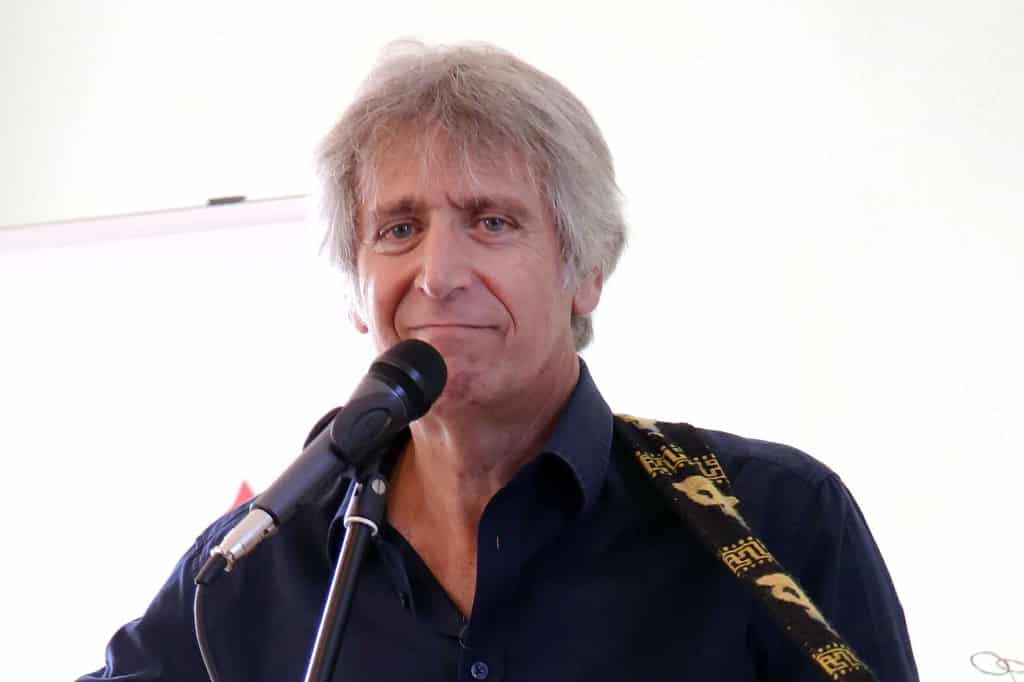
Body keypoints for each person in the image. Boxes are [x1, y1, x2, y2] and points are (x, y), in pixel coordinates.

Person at [78, 41, 918, 681]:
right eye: (399, 229)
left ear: (585, 271)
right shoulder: (258, 561)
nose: (438, 274)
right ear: (356, 285)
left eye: (492, 222)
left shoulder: (773, 520)